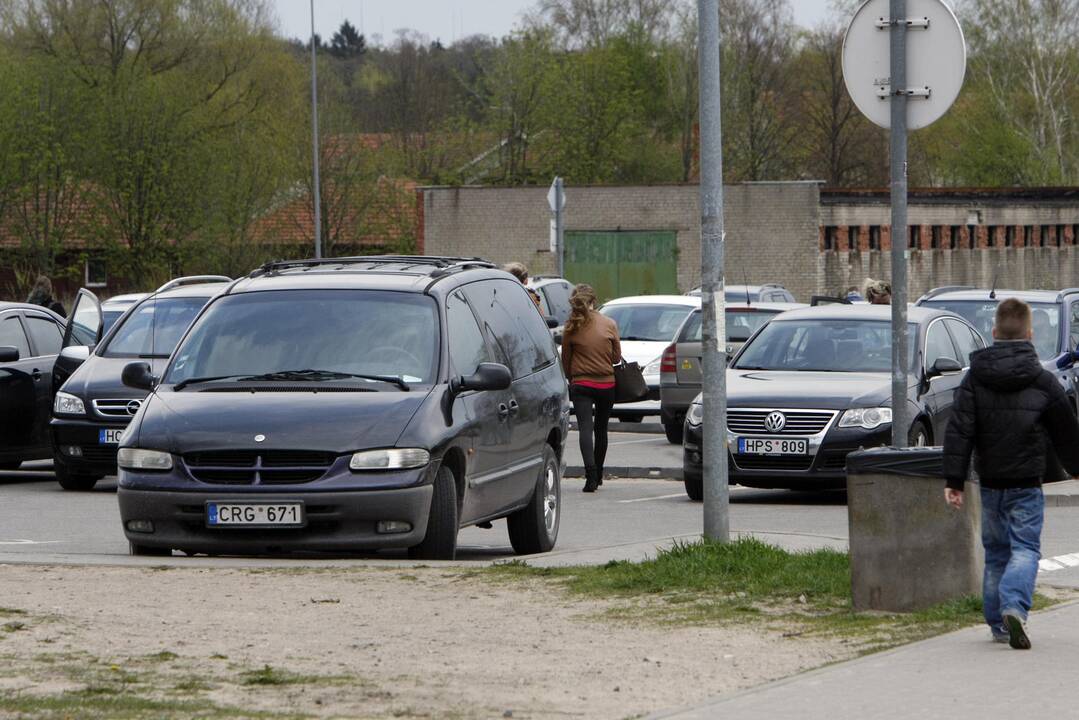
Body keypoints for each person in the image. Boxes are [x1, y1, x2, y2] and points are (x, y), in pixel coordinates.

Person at [944, 298, 1079, 650]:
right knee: (1025, 549)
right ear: (1030, 334)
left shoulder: (975, 378)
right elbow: (1066, 431)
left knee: (996, 552)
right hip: (1026, 483)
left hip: (989, 482)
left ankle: (998, 626)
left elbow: (959, 431)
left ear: (993, 333)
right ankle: (1014, 605)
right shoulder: (1043, 381)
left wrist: (953, 480)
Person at [560, 284, 620, 493]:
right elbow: (616, 358)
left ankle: (590, 476)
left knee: (585, 429)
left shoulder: (571, 327)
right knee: (601, 428)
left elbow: (565, 360)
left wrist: (572, 378)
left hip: (581, 384)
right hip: (606, 384)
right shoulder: (610, 323)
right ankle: (600, 472)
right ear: (594, 300)